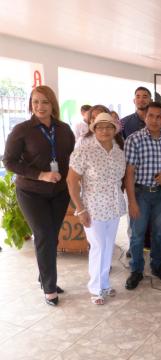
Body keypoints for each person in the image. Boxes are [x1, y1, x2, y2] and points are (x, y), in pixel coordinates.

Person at [3, 85, 75, 306]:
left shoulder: (64, 129)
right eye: (35, 102)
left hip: (59, 192)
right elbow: (9, 161)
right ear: (30, 104)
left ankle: (43, 277)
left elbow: (73, 158)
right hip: (31, 192)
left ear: (52, 104)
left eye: (44, 102)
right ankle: (50, 287)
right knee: (43, 234)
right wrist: (41, 174)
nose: (40, 106)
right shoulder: (22, 130)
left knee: (52, 236)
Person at [67, 113, 126, 305]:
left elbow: (120, 180)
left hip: (114, 205)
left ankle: (105, 283)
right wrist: (80, 209)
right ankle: (95, 288)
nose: (105, 131)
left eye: (109, 127)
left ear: (114, 129)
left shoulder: (118, 151)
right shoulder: (84, 150)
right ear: (94, 129)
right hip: (93, 207)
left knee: (108, 246)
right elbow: (72, 180)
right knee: (98, 246)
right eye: (100, 127)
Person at [124, 102, 161, 290]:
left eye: (158, 117)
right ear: (145, 118)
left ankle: (157, 265)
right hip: (140, 193)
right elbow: (129, 173)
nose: (154, 120)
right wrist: (132, 201)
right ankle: (136, 270)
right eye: (150, 116)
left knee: (160, 233)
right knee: (137, 235)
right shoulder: (134, 139)